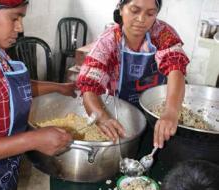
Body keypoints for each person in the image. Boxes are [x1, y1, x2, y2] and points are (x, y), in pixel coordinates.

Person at [0, 0, 75, 190]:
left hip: (2, 169)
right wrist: (35, 139)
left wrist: (59, 88)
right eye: (15, 18)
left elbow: (10, 88)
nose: (20, 28)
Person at [76, 0, 190, 148]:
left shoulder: (162, 33)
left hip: (156, 113)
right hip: (120, 115)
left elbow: (176, 68)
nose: (141, 19)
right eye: (135, 10)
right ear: (121, 9)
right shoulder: (108, 42)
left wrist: (171, 111)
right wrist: (102, 118)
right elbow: (88, 88)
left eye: (150, 13)